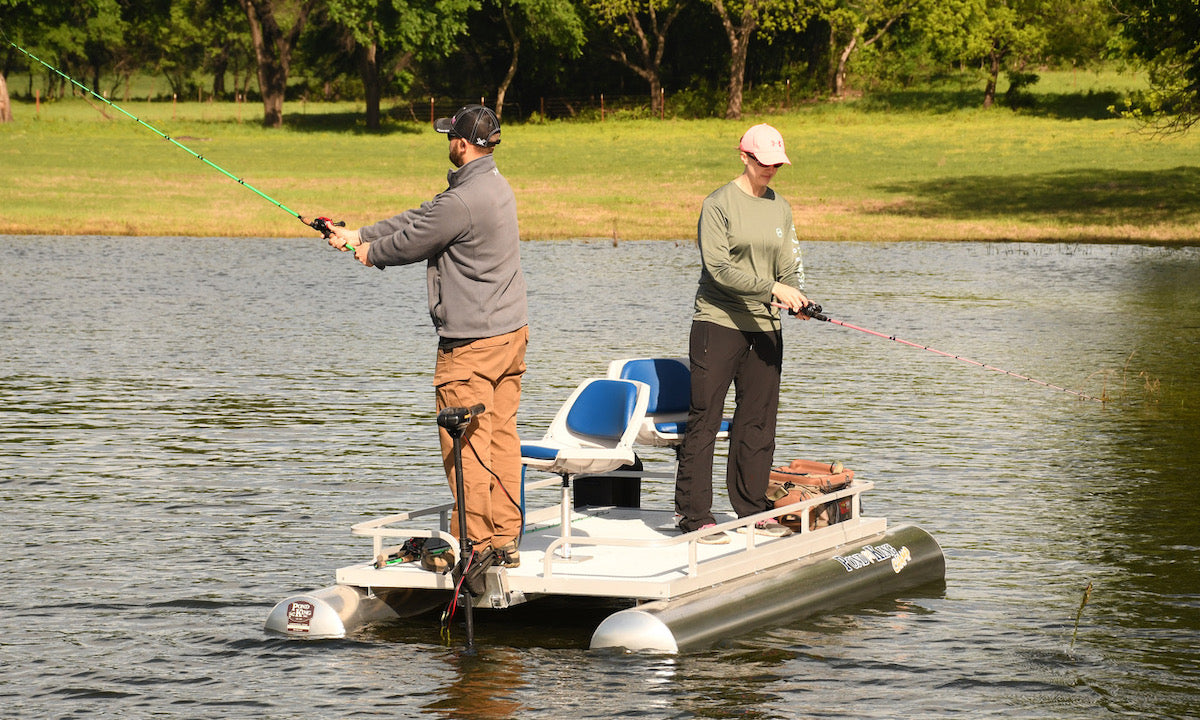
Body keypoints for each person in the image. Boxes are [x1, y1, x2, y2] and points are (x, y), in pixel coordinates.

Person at [327, 104, 529, 570]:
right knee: (499, 438)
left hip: (471, 348)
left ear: (461, 142)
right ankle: (503, 539)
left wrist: (368, 253)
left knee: (467, 447)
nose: (447, 142)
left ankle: (476, 547)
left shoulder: (463, 201)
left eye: (449, 136)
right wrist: (356, 232)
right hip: (508, 339)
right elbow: (423, 216)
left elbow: (413, 240)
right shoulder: (493, 187)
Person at [674, 123, 810, 544]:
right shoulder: (718, 205)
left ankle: (752, 508)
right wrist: (772, 288)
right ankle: (695, 516)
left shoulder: (780, 208)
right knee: (706, 420)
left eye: (776, 164)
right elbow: (719, 269)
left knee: (757, 423)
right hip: (718, 324)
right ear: (745, 158)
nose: (771, 170)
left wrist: (795, 296)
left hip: (766, 329)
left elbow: (788, 264)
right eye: (764, 163)